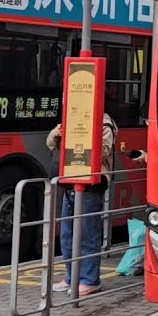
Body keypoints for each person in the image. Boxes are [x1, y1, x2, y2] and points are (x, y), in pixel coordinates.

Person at [46, 112, 117, 295]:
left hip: (91, 184)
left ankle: (90, 279)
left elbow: (104, 150)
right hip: (69, 181)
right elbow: (50, 142)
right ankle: (72, 277)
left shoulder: (105, 123)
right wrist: (57, 133)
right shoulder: (71, 117)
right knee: (67, 234)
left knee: (87, 233)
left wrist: (82, 137)